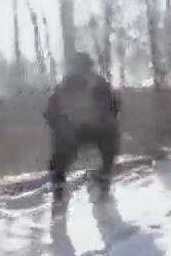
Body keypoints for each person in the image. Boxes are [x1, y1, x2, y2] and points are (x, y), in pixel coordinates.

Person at [44, 52, 121, 204]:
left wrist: (59, 125)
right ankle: (103, 177)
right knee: (110, 137)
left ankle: (58, 180)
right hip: (94, 132)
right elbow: (115, 106)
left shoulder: (64, 86)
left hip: (73, 135)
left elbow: (50, 113)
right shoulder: (98, 82)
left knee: (60, 146)